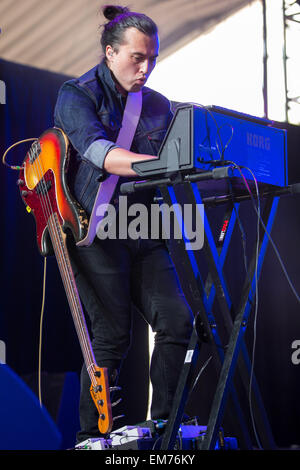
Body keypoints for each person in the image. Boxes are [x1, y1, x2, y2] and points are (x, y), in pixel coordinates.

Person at [54, 5, 193, 445]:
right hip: (93, 229)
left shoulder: (158, 105)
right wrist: (162, 164)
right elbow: (98, 153)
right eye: (137, 57)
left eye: (152, 58)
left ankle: (165, 429)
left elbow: (178, 165)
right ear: (110, 52)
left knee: (177, 321)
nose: (146, 67)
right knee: (110, 336)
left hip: (143, 227)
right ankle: (93, 437)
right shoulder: (76, 94)